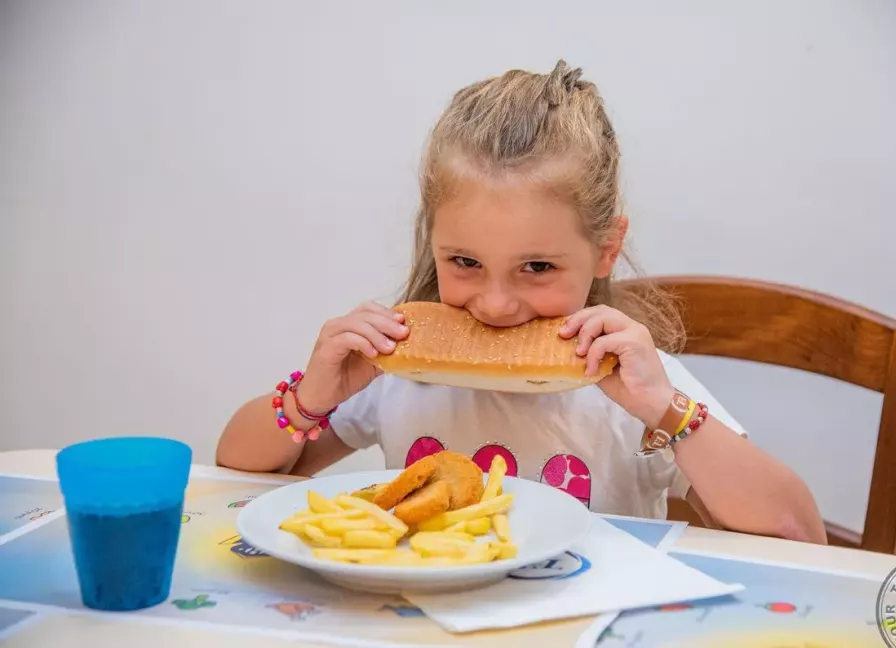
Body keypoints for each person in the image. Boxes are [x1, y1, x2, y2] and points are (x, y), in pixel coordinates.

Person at [216, 60, 826, 544]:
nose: (497, 302)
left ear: (606, 249)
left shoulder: (638, 387)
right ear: (432, 241)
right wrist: (309, 398)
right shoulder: (400, 370)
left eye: (537, 267)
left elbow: (798, 533)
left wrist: (667, 411)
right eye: (464, 262)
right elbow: (236, 476)